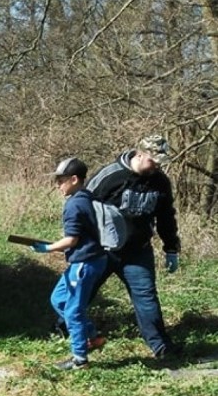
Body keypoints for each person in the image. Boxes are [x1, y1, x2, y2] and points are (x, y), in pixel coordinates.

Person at [85, 135, 180, 360]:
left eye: (160, 163)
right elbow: (83, 207)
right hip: (103, 250)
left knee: (146, 297)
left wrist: (171, 247)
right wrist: (80, 243)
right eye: (152, 161)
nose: (156, 167)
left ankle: (161, 347)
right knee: (82, 292)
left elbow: (166, 216)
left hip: (138, 251)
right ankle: (64, 329)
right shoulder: (110, 176)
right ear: (140, 154)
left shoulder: (160, 182)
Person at [35, 158, 108, 370]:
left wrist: (46, 248)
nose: (57, 185)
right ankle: (92, 336)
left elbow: (71, 240)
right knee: (58, 299)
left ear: (74, 179)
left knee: (74, 311)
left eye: (60, 180)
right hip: (94, 259)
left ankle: (80, 359)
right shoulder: (88, 198)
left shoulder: (74, 204)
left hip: (85, 263)